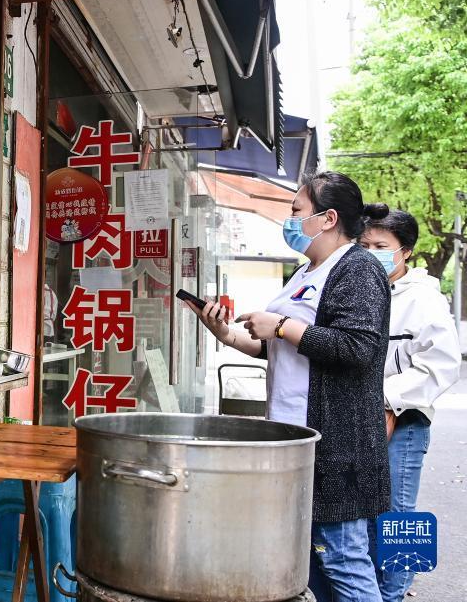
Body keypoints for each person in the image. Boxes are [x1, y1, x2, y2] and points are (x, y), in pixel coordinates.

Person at [185, 171, 391, 602]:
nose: (290, 219)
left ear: (328, 217)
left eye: (297, 210)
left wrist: (281, 326)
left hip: (337, 446)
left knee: (342, 559)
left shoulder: (358, 268)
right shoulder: (304, 272)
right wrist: (227, 335)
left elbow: (358, 348)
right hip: (294, 439)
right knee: (309, 560)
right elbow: (279, 351)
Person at [360, 209, 460, 602]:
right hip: (358, 416)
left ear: (406, 252)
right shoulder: (357, 289)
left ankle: (394, 595)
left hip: (405, 418)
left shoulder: (424, 299)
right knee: (361, 511)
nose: (371, 253)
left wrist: (387, 400)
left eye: (381, 247)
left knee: (400, 514)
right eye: (363, 245)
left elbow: (442, 365)